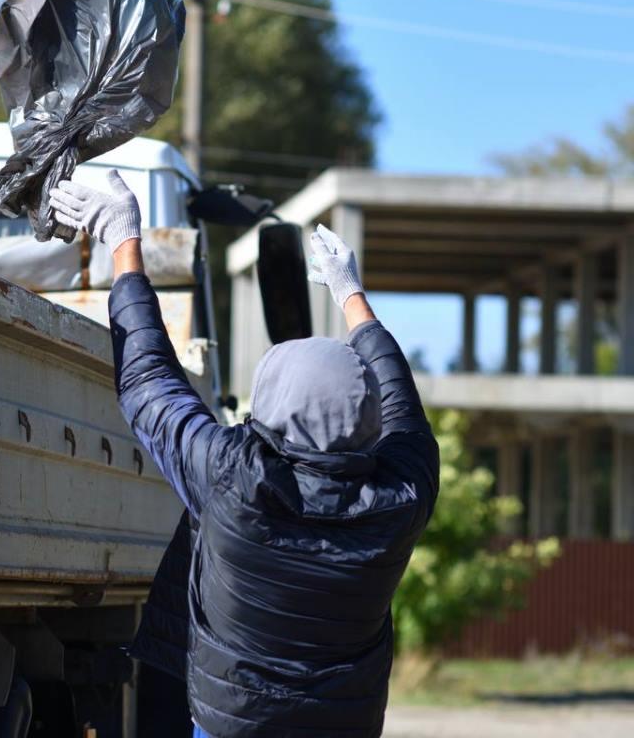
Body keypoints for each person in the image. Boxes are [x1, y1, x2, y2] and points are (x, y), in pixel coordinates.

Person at [49, 171, 440, 738]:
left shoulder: (233, 480)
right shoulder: (402, 496)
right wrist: (351, 296)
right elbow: (403, 405)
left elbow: (147, 377)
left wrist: (122, 239)